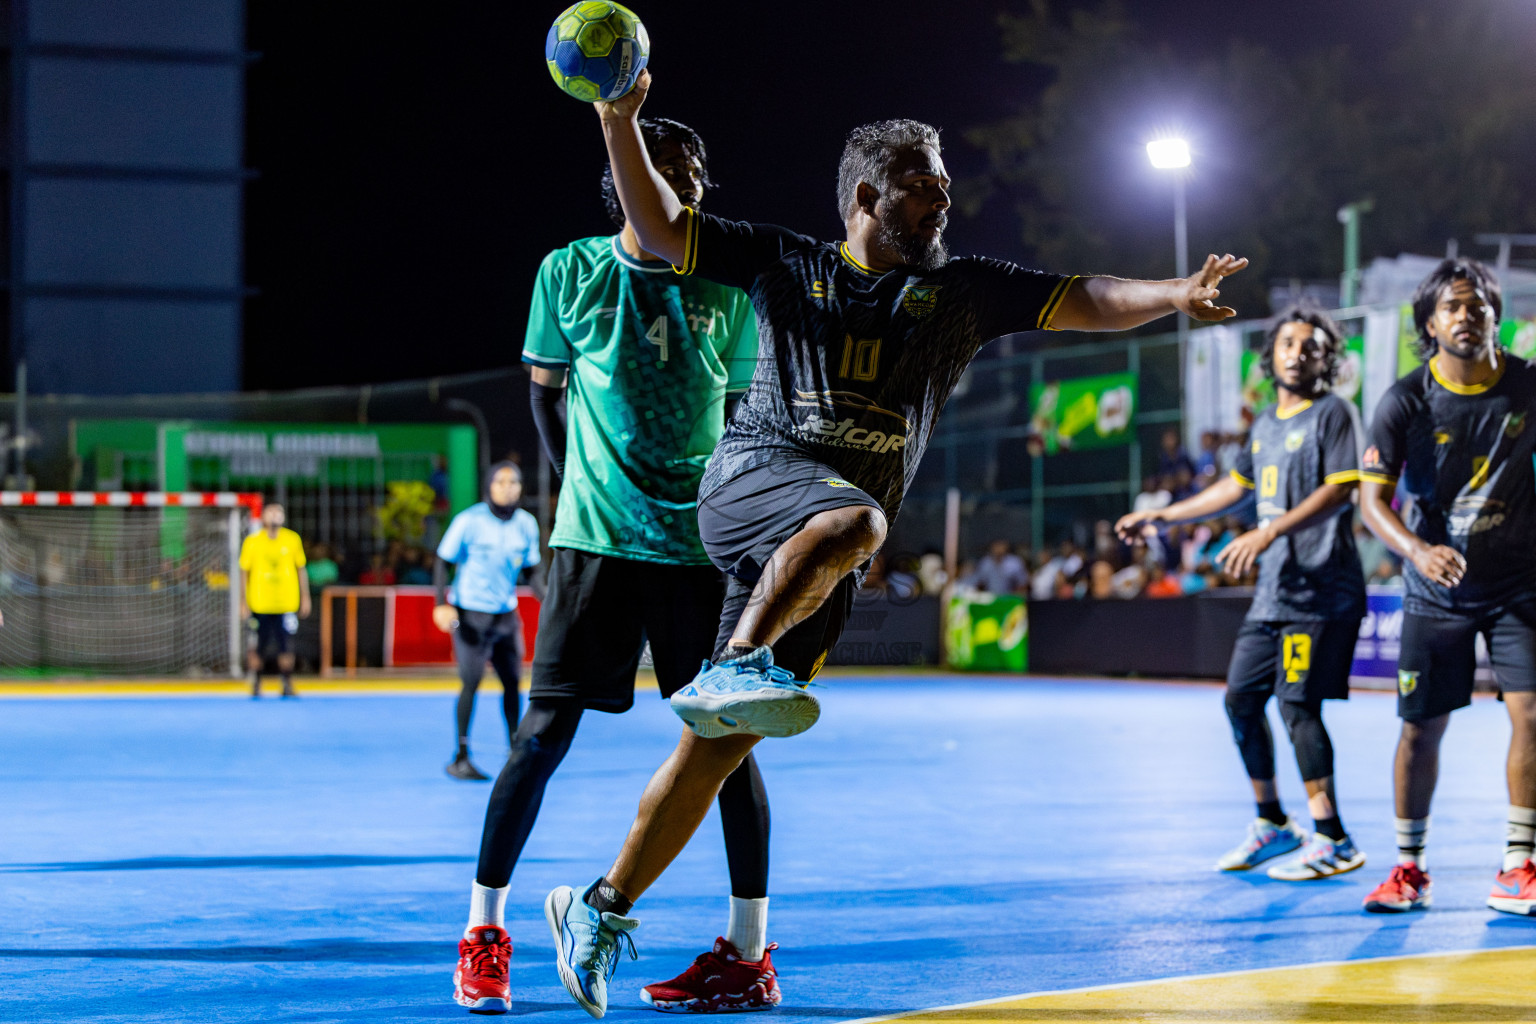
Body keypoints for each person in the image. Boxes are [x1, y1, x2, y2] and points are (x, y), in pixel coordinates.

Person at [543, 68, 1249, 1018]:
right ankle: (740, 662)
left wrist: (1173, 291)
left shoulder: (964, 293)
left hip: (816, 559)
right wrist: (617, 121)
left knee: (715, 750)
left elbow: (1090, 295)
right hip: (752, 486)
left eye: (943, 178)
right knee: (857, 522)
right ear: (868, 195)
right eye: (922, 178)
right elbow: (663, 227)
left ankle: (598, 907)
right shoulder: (781, 261)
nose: (942, 193)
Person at [453, 117, 771, 1016]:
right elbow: (545, 397)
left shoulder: (730, 285)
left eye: (696, 168)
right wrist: (578, 491)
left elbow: (744, 417)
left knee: (728, 750)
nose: (688, 182)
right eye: (668, 167)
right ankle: (485, 933)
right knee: (541, 736)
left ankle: (748, 955)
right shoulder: (570, 272)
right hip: (595, 540)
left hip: (698, 552)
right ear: (625, 180)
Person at [1117, 306, 1367, 880]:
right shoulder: (1264, 426)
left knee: (1297, 705)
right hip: (1274, 591)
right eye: (1287, 343)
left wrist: (1270, 529)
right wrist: (1164, 517)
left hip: (1321, 590)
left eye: (1310, 345)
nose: (1298, 353)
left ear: (1328, 358)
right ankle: (1274, 823)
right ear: (1270, 355)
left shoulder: (1335, 413)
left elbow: (1340, 491)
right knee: (1240, 701)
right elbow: (1234, 487)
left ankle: (1333, 838)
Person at [1355, 258, 1536, 915]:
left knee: (1533, 713)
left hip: (1520, 582)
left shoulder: (1528, 386)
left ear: (1495, 315)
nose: (1467, 315)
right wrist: (1417, 550)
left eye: (1479, 304)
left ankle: (1519, 864)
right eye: (1452, 307)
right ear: (1429, 324)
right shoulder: (1404, 400)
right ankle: (1409, 868)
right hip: (1437, 590)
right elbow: (1373, 505)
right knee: (1420, 732)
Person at [434, 462, 541, 782]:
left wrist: (550, 601)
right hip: (470, 615)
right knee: (472, 681)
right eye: (501, 481)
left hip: (505, 616)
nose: (508, 487)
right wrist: (441, 604)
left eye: (514, 481)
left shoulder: (526, 523)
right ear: (489, 486)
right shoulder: (470, 520)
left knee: (513, 682)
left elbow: (533, 572)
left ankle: (515, 750)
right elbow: (442, 560)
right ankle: (461, 756)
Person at [238, 502, 311, 698]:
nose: (275, 515)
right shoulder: (253, 541)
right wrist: (242, 602)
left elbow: (301, 569)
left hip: (286, 603)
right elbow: (244, 573)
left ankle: (286, 683)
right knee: (258, 645)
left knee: (286, 645)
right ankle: (257, 682)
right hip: (259, 603)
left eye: (279, 512)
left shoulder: (292, 539)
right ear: (263, 517)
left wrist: (306, 597)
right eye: (271, 512)